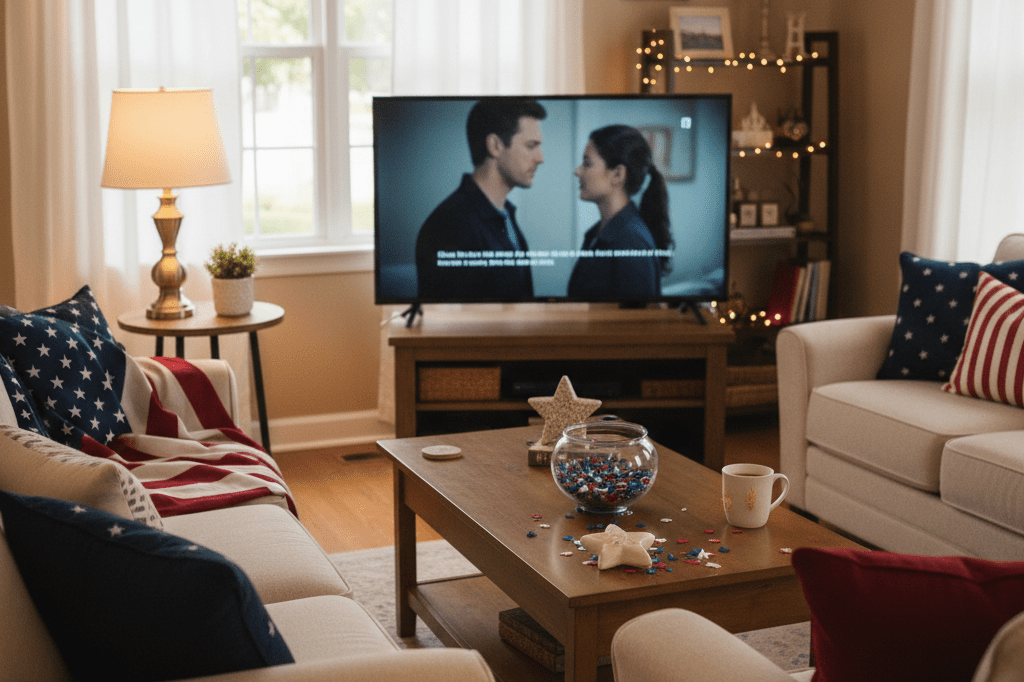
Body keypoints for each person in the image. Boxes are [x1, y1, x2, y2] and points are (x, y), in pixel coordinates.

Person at [415, 98, 546, 300]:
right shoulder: (449, 227)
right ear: (495, 145)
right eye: (531, 146)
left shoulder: (505, 213)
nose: (540, 158)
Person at [567, 124, 673, 299]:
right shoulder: (599, 233)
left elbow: (635, 324)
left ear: (617, 174)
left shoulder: (631, 242)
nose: (577, 171)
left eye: (587, 163)